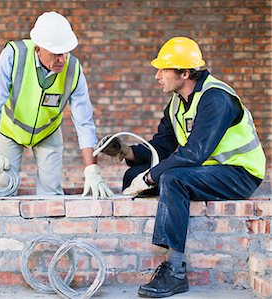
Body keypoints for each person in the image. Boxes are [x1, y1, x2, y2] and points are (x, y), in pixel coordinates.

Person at [96, 37, 266, 297]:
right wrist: (126, 151)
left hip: (239, 174)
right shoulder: (177, 103)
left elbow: (195, 153)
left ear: (185, 73)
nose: (157, 76)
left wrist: (151, 177)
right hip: (203, 172)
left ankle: (174, 271)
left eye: (164, 69)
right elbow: (161, 148)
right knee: (133, 174)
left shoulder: (216, 98)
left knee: (171, 179)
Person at [0, 11, 113, 199]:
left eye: (65, 52)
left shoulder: (73, 69)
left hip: (47, 132)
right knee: (1, 186)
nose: (62, 59)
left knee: (52, 194)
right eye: (56, 54)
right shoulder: (14, 55)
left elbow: (84, 122)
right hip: (10, 130)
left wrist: (92, 169)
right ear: (38, 49)